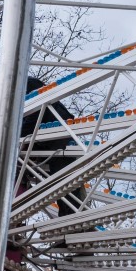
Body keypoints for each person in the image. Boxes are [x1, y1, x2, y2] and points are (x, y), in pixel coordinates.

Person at [20, 76, 80, 216]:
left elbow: (34, 115)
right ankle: (72, 214)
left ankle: (70, 216)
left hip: (56, 135)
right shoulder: (27, 87)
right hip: (56, 135)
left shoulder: (27, 86)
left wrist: (19, 139)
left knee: (64, 179)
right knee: (66, 179)